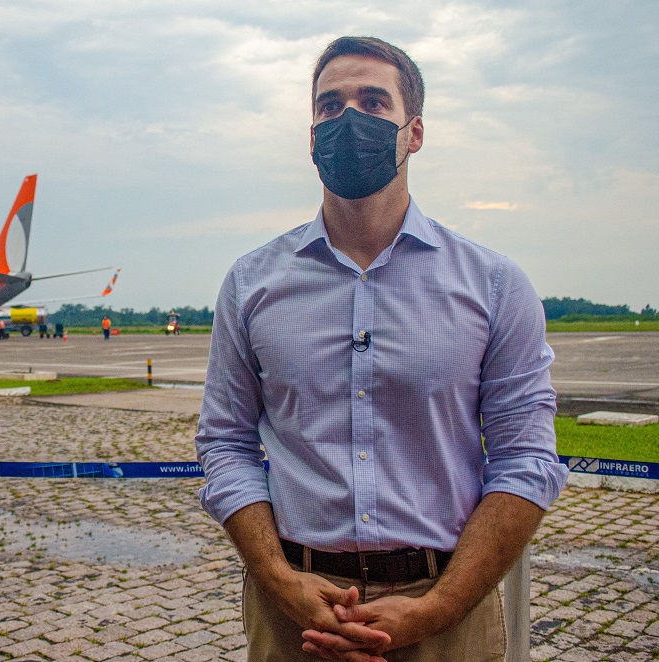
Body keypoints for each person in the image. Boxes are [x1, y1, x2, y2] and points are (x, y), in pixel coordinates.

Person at [195, 36, 567, 662]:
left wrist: (438, 608)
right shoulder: (251, 284)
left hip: (446, 605)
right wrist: (281, 581)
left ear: (414, 131)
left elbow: (525, 459)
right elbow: (225, 441)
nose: (348, 121)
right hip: (296, 611)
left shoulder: (495, 285)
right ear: (311, 135)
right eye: (329, 106)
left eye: (372, 101)